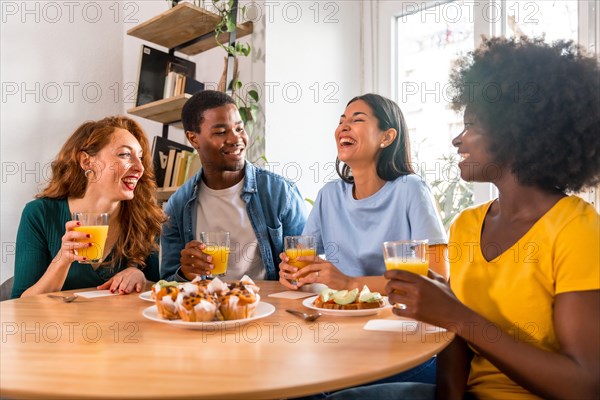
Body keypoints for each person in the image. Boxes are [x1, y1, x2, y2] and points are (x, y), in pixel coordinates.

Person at [332, 37, 600, 399]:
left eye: (471, 124)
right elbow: (455, 352)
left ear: (517, 131)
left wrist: (455, 314)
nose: (458, 140)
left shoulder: (576, 228)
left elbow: (584, 386)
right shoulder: (467, 225)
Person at [279, 93, 448, 294]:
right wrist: (291, 272)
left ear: (387, 137)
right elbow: (302, 263)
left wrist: (350, 283)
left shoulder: (411, 189)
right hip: (339, 313)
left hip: (395, 316)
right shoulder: (329, 195)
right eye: (341, 121)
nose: (343, 127)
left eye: (357, 119)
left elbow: (438, 278)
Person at [161, 90, 307, 282]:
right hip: (207, 306)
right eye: (221, 132)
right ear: (193, 138)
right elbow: (167, 279)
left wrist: (297, 273)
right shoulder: (178, 204)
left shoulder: (281, 193)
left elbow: (306, 269)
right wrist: (185, 274)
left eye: (239, 128)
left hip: (268, 306)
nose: (235, 139)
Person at [12, 116, 165, 298]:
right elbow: (20, 304)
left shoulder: (145, 218)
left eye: (140, 157)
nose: (140, 168)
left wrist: (141, 277)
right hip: (59, 327)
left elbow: (161, 293)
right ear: (86, 161)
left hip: (122, 326)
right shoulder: (39, 214)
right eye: (125, 154)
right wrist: (63, 259)